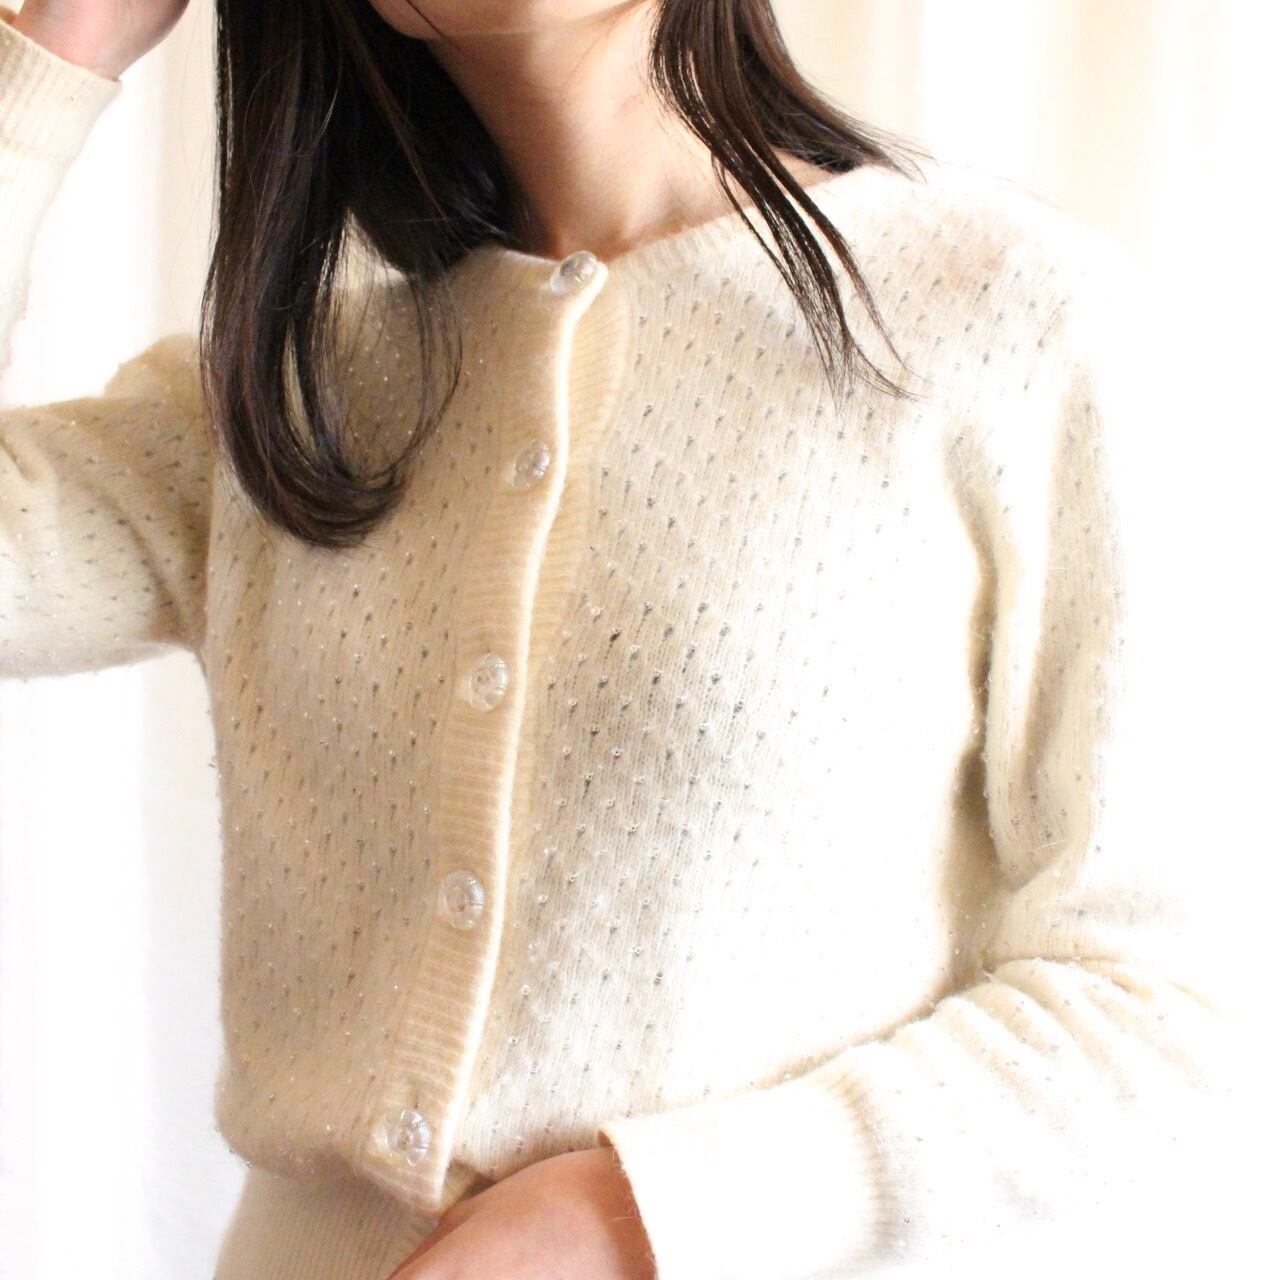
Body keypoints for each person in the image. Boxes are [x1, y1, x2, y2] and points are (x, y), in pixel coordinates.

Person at [0, 2, 1243, 1279]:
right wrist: (55, 55)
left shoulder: (1005, 321)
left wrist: (638, 1213)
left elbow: (1166, 999)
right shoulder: (293, 401)